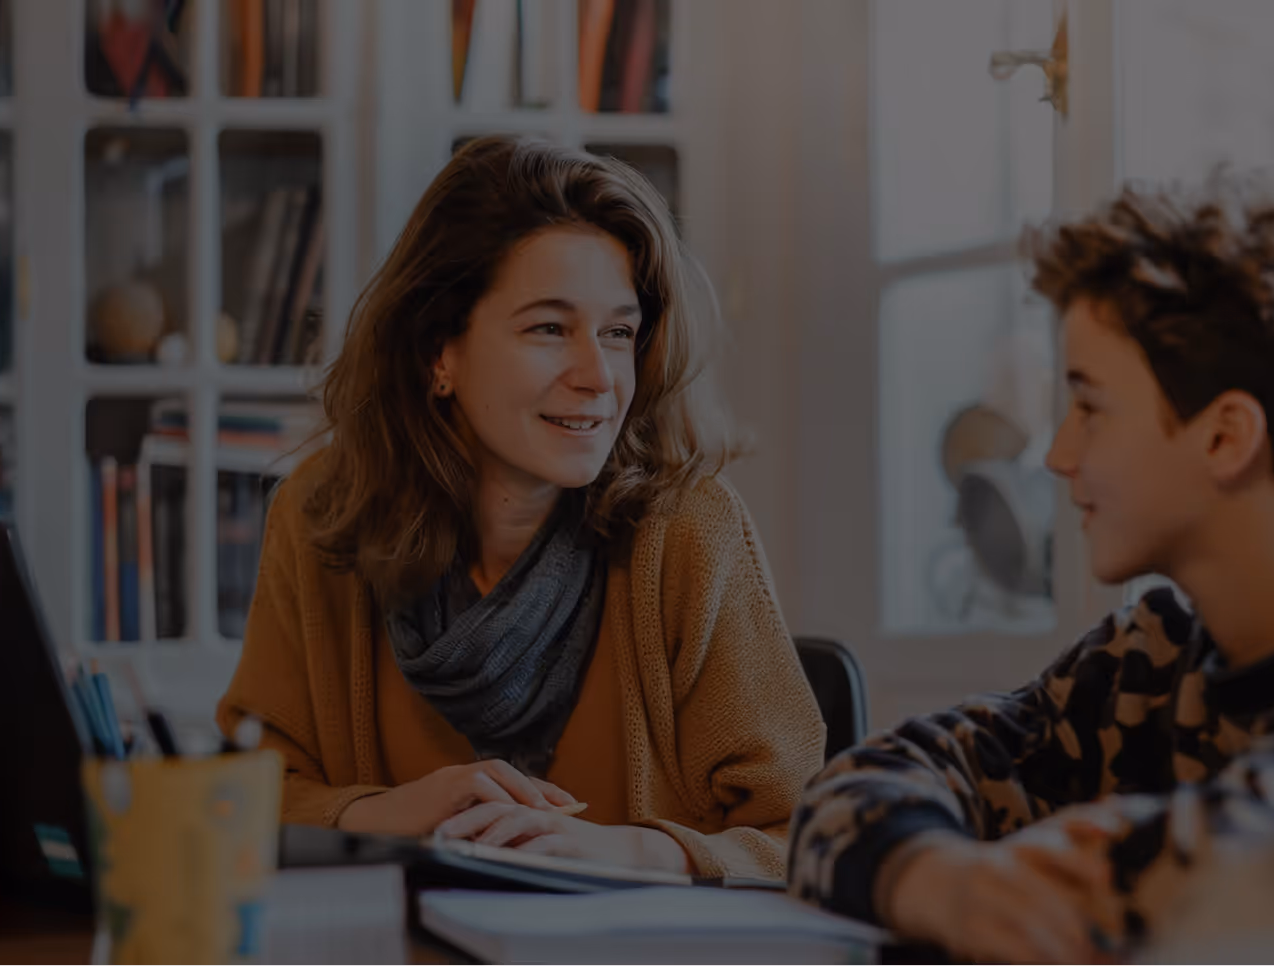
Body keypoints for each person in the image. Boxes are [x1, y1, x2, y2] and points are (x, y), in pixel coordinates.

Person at [787, 174, 1274, 962]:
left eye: (1089, 407)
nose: (1056, 453)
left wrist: (1072, 858)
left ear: (1224, 437)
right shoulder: (1150, 653)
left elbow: (1254, 878)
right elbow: (854, 787)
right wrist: (939, 876)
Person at [215, 135, 825, 879]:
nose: (598, 375)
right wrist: (390, 812)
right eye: (548, 328)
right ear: (441, 350)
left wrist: (629, 850)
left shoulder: (689, 530)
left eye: (618, 333)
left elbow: (812, 836)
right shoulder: (321, 516)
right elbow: (244, 795)